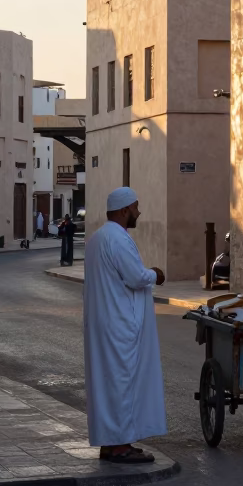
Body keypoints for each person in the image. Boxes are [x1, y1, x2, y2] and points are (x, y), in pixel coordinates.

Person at [83, 187, 166, 463]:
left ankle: (111, 442)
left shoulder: (98, 238)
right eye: (136, 207)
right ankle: (119, 446)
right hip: (120, 327)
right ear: (123, 210)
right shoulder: (117, 239)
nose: (139, 212)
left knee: (109, 384)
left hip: (105, 323)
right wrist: (156, 274)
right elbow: (134, 277)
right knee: (123, 382)